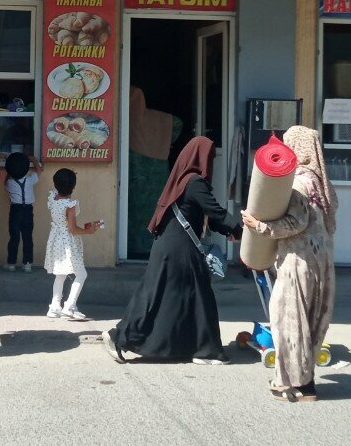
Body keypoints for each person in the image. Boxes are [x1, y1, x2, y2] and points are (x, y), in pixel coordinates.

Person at [102, 136, 241, 365]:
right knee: (189, 296)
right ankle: (120, 336)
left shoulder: (182, 180)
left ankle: (196, 348)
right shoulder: (194, 181)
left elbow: (202, 213)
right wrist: (240, 228)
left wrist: (227, 230)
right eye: (210, 156)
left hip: (171, 247)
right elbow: (215, 211)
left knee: (171, 297)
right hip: (180, 249)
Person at [241, 126, 337, 403]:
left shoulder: (297, 183)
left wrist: (259, 225)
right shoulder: (323, 184)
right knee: (312, 320)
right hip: (323, 261)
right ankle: (307, 385)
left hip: (298, 261)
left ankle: (285, 383)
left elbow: (296, 223)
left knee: (288, 320)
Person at [127, 87, 182, 259]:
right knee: (154, 212)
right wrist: (165, 141)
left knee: (131, 214)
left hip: (132, 179)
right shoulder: (157, 120)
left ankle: (130, 246)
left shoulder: (122, 121)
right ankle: (153, 246)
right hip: (155, 178)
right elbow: (178, 124)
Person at [45, 168, 99, 321]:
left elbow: (57, 186)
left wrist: (67, 177)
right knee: (82, 274)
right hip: (68, 242)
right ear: (74, 187)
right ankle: (70, 305)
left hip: (55, 240)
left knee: (60, 275)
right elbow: (73, 229)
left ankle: (54, 307)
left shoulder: (53, 199)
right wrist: (89, 231)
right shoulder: (70, 205)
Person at [1, 151, 43, 272]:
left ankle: (11, 263)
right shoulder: (30, 180)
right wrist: (32, 159)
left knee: (14, 237)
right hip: (28, 210)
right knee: (28, 237)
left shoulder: (10, 183)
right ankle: (27, 264)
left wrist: (9, 169)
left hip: (15, 210)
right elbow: (38, 169)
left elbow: (5, 182)